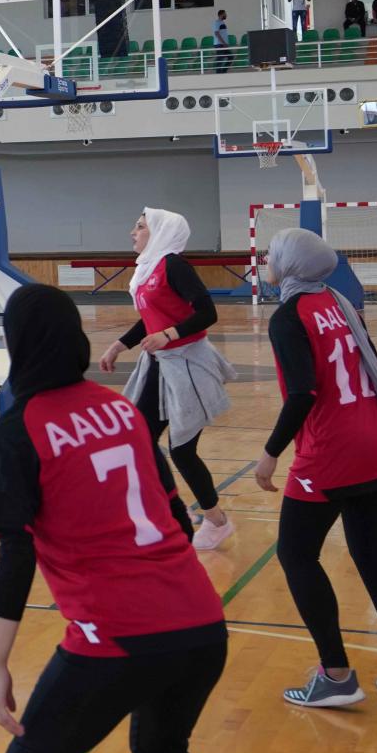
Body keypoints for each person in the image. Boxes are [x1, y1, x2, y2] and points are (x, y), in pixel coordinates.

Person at [0, 284, 243, 753]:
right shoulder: (123, 410)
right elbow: (175, 516)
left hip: (117, 636)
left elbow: (17, 552)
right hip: (201, 622)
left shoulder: (15, 432)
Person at [258, 228, 377, 708]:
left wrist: (271, 451)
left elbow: (303, 392)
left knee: (296, 555)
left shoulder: (289, 316)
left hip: (332, 449)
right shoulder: (341, 301)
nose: (266, 259)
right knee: (372, 555)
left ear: (290, 264)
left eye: (271, 253)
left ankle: (335, 675)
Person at [98, 209, 238, 552]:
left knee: (182, 449)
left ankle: (217, 521)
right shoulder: (147, 270)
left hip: (188, 362)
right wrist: (119, 345)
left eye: (140, 226)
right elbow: (151, 319)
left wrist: (170, 334)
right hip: (159, 363)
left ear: (160, 232)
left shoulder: (174, 265)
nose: (133, 232)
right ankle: (168, 507)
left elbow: (207, 312)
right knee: (139, 438)